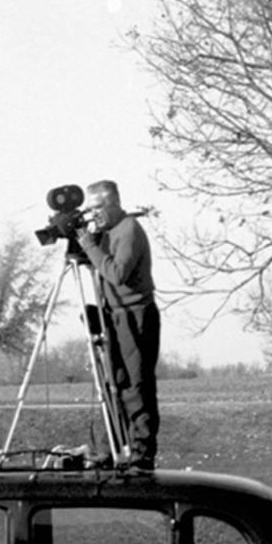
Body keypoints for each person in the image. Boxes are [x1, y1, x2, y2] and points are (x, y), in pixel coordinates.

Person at [77, 179, 160, 470]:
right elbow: (97, 264)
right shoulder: (106, 232)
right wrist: (89, 244)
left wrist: (89, 245)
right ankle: (114, 447)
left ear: (113, 202)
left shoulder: (129, 230)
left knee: (136, 384)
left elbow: (117, 273)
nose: (93, 214)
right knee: (114, 382)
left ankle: (142, 452)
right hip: (112, 313)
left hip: (135, 313)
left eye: (97, 208)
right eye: (89, 209)